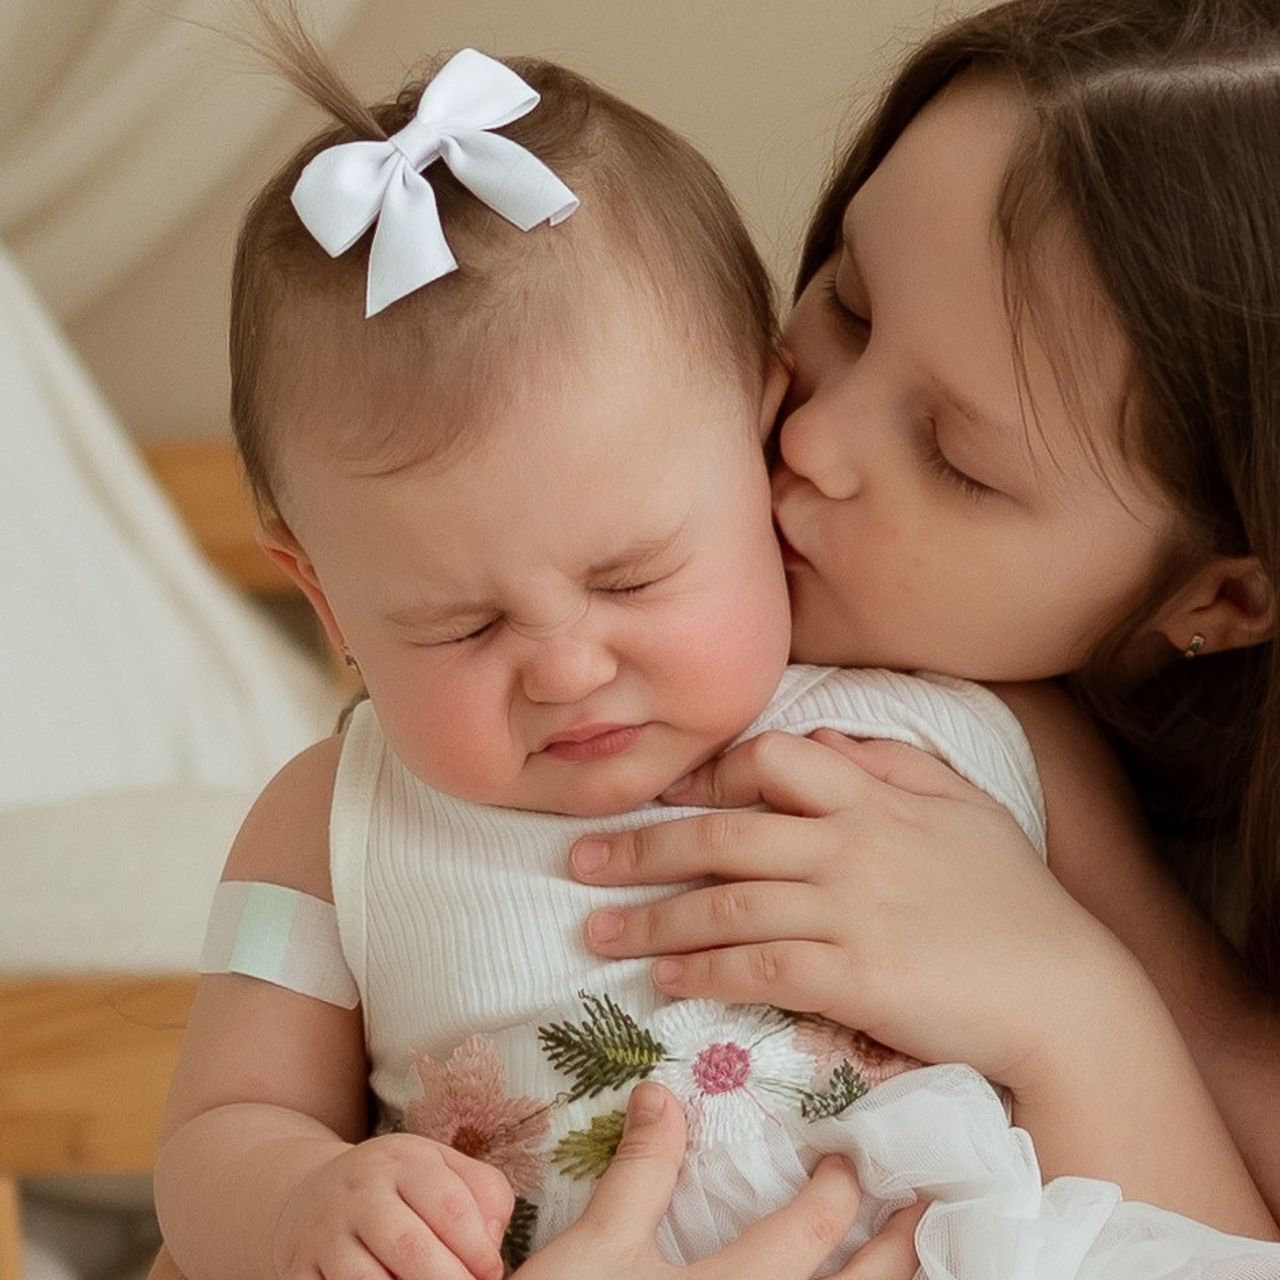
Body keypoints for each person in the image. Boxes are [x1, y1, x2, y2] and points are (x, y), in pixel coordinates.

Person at [148, 0, 1280, 1277]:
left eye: (958, 459)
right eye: (846, 303)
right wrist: (299, 1201)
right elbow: (217, 1140)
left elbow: (1209, 1106)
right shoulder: (334, 822)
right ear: (325, 595)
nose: (809, 440)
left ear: (1224, 596)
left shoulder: (1005, 744)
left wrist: (1075, 999)